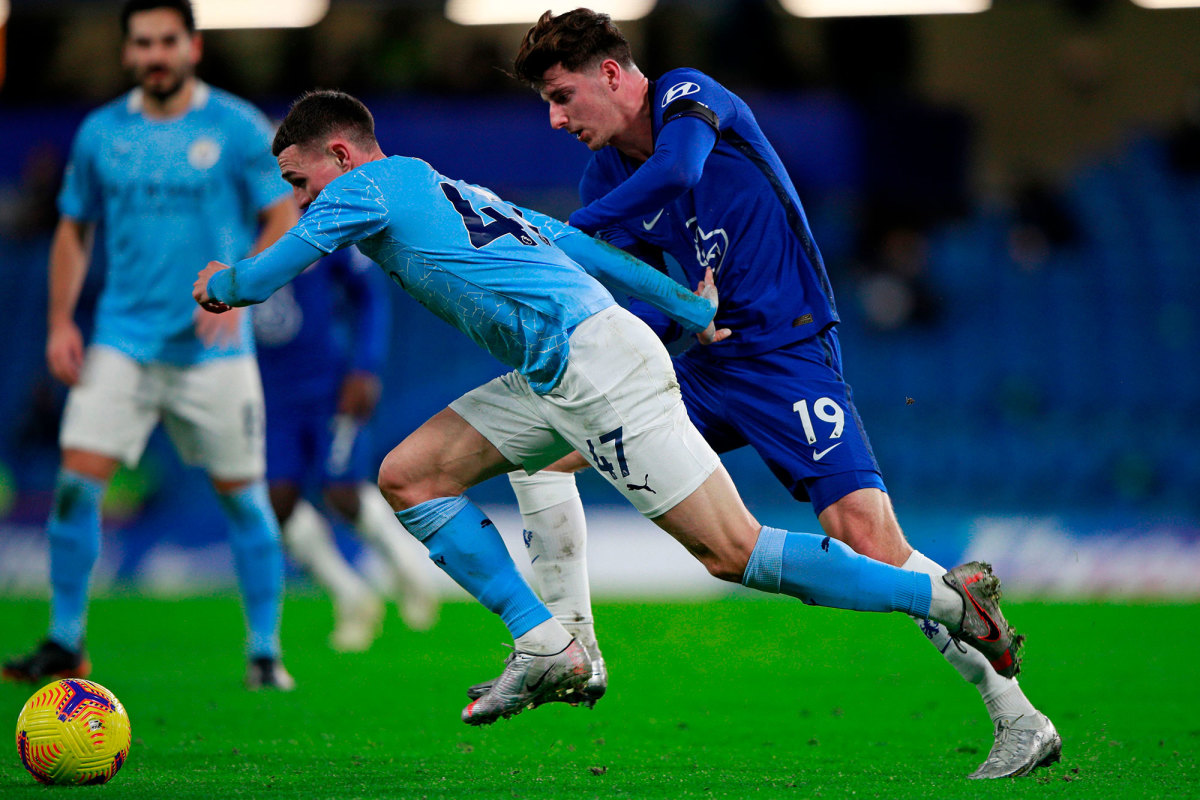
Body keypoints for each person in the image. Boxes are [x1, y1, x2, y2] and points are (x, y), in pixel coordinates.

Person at [192, 89, 1023, 731]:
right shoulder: (441, 186)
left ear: (338, 153)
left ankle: (949, 602)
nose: (301, 201)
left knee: (735, 554)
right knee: (412, 475)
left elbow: (272, 274)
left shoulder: (363, 187)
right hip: (567, 363)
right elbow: (574, 240)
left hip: (596, 371)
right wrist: (686, 308)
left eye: (301, 182)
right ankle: (549, 642)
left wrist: (224, 284)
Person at [499, 8, 1059, 779]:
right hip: (706, 366)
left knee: (870, 540)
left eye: (563, 96)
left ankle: (1020, 719)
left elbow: (679, 172)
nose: (558, 119)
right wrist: (673, 316)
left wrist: (564, 233)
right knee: (543, 455)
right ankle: (573, 648)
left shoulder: (687, 95)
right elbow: (639, 304)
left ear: (612, 73)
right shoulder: (604, 175)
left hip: (788, 352)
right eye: (547, 106)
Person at [2, 0, 296, 690]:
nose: (155, 54)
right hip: (123, 343)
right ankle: (65, 640)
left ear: (192, 46)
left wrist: (240, 289)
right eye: (143, 43)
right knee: (76, 487)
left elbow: (283, 214)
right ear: (128, 51)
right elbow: (72, 230)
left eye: (168, 40)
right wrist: (60, 323)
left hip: (213, 350)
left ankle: (264, 651)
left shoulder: (236, 126)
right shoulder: (101, 133)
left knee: (245, 501)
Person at [254, 247, 439, 652]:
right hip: (267, 391)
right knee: (276, 501)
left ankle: (407, 567)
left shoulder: (316, 223)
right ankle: (351, 595)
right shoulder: (230, 220)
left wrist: (365, 367)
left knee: (341, 491)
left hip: (328, 384)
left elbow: (369, 293)